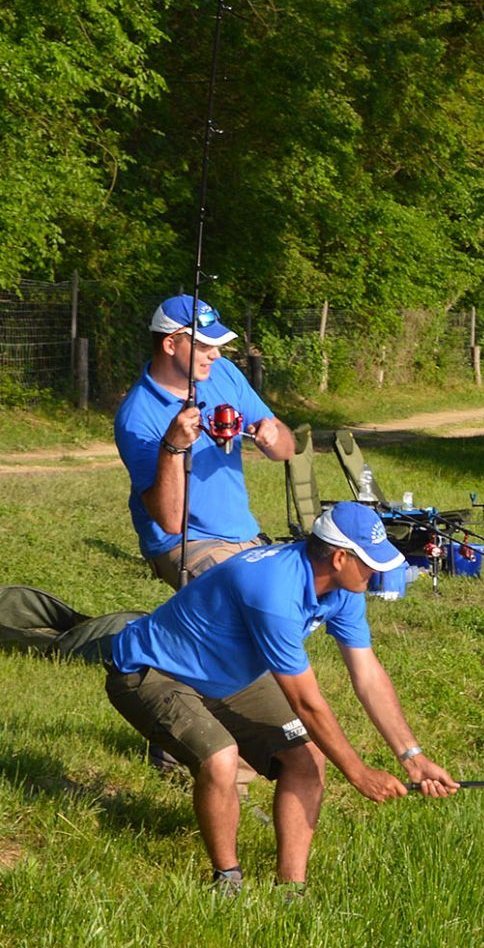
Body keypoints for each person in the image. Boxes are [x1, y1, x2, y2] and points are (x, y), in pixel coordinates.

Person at [103, 502, 459, 891]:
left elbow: (368, 676)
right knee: (221, 760)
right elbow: (307, 704)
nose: (376, 571)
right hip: (152, 671)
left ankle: (291, 889)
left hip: (229, 675)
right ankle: (227, 880)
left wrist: (413, 756)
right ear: (339, 557)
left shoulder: (344, 590)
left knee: (307, 760)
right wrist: (359, 774)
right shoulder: (273, 590)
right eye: (369, 562)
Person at [114, 295, 297, 590]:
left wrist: (273, 436)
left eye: (217, 345)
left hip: (244, 533)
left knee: (301, 592)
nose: (216, 355)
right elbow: (170, 522)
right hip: (186, 544)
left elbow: (288, 449)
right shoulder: (136, 416)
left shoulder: (223, 374)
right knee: (247, 604)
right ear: (170, 345)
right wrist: (172, 447)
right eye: (204, 346)